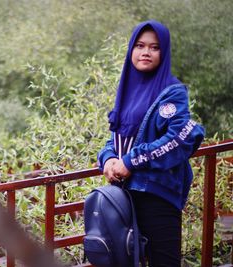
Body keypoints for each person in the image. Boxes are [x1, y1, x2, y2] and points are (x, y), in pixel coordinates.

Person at [97, 20, 205, 266]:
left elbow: (178, 139)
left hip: (157, 193)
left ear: (163, 52)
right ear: (131, 50)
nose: (145, 52)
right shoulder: (126, 88)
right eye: (140, 45)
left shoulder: (172, 92)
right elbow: (117, 135)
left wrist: (131, 161)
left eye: (154, 47)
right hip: (123, 195)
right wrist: (109, 157)